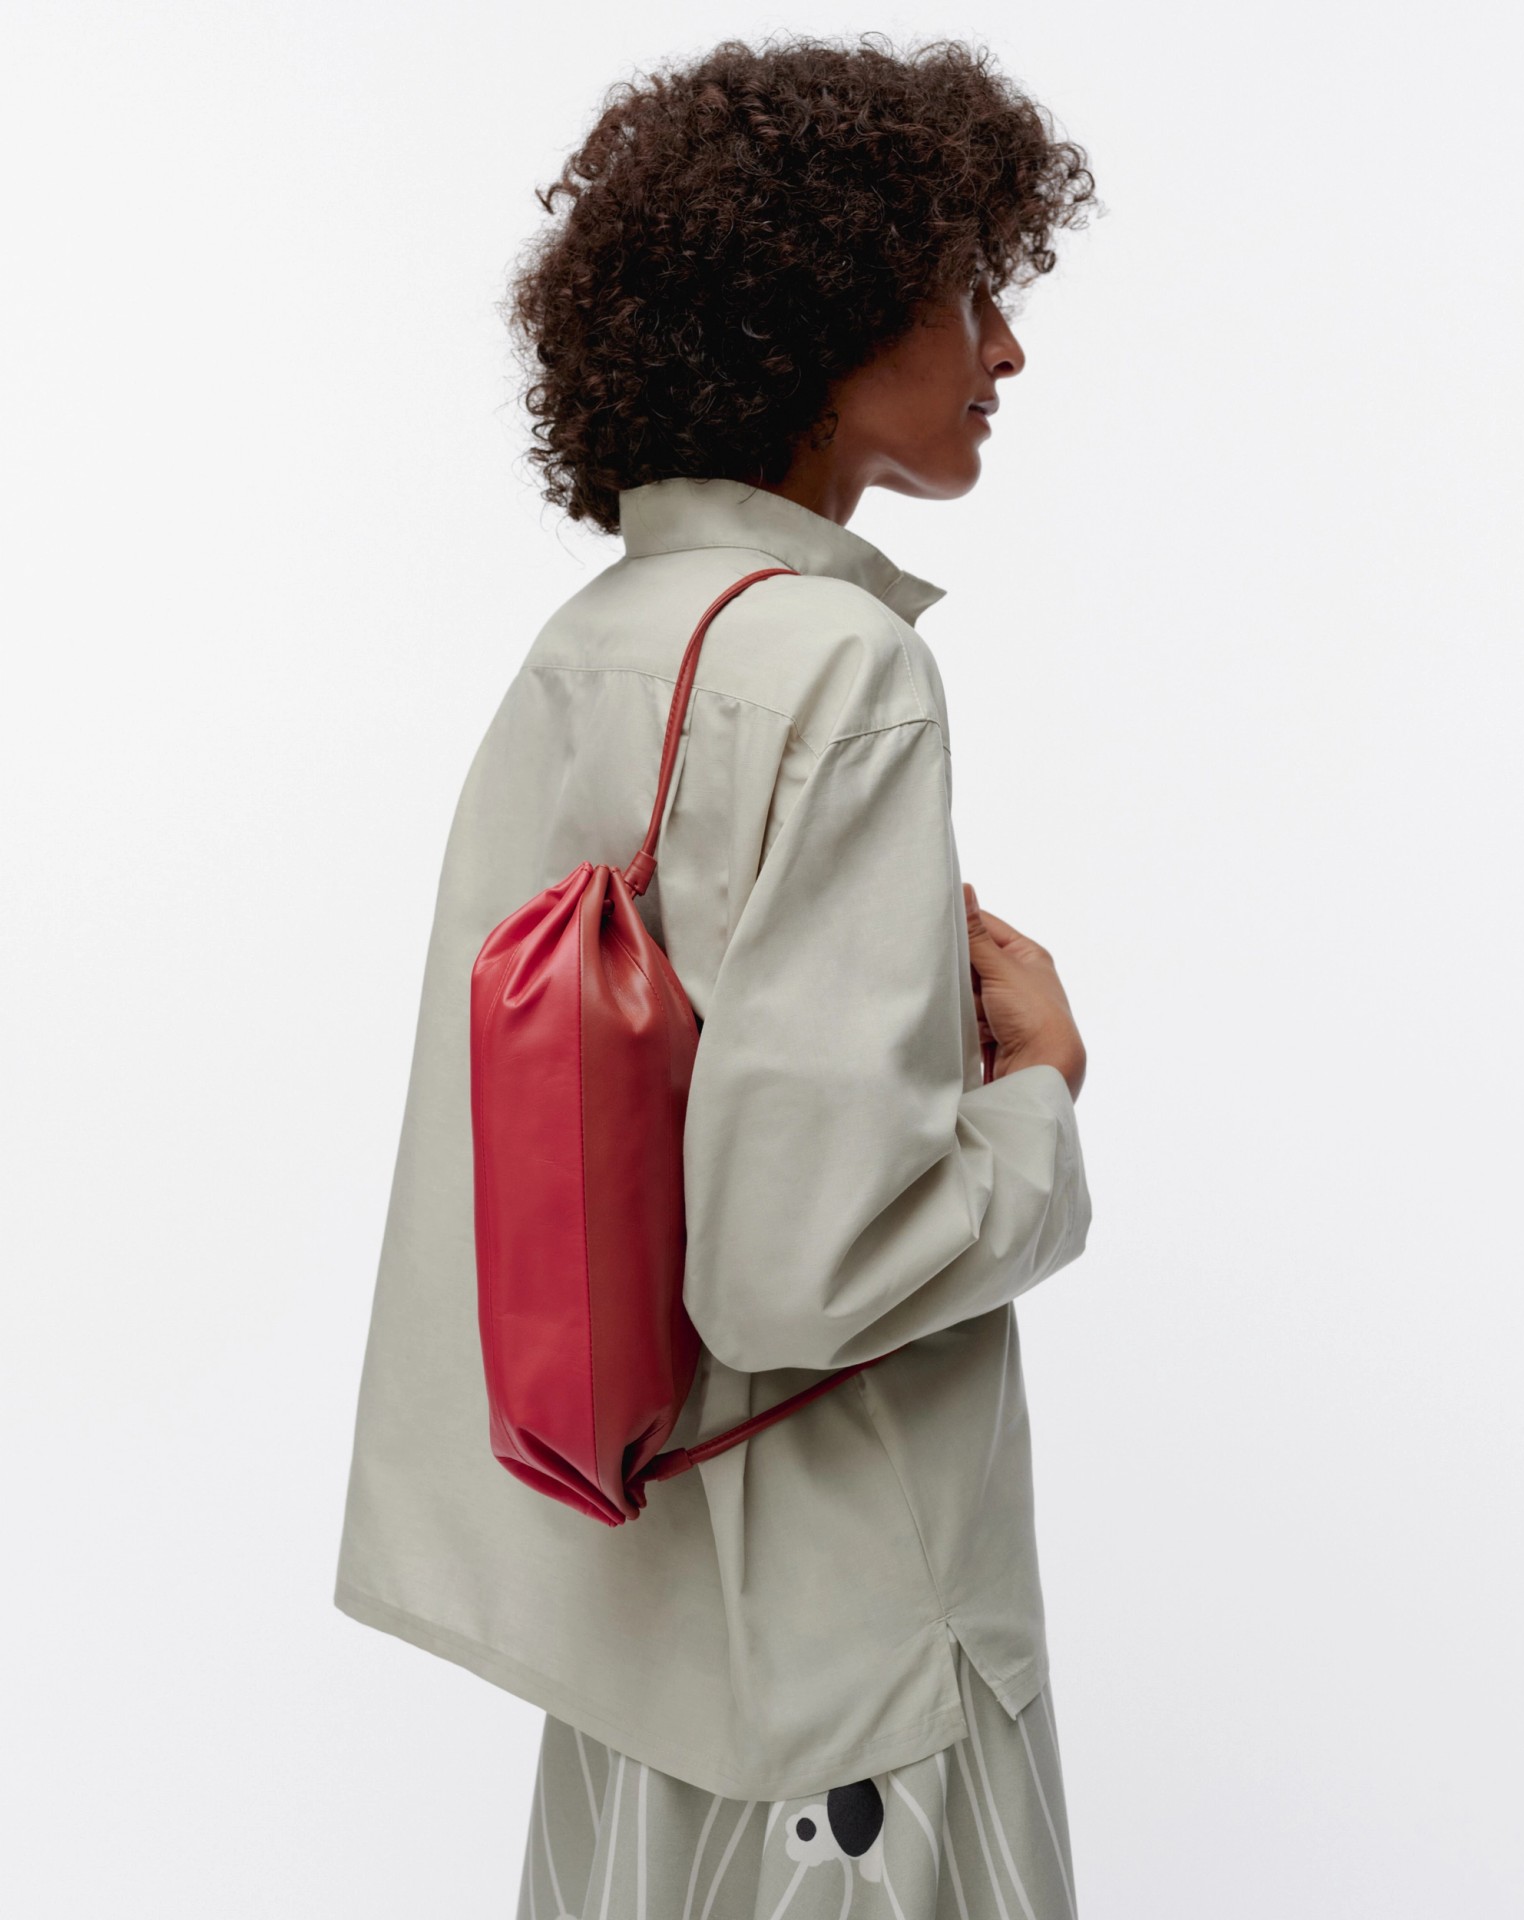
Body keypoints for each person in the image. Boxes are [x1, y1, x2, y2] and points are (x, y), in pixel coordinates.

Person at [332, 32, 1101, 1918]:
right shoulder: (843, 666)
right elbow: (796, 1271)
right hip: (853, 1655)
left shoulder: (599, 638)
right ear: (825, 320)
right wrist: (1039, 1105)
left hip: (644, 1628)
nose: (1009, 350)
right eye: (968, 292)